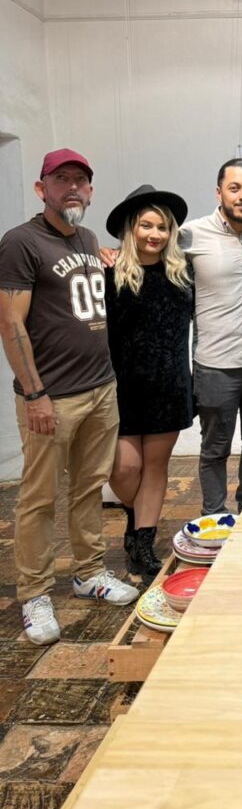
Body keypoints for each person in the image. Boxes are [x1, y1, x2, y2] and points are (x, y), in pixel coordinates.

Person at [0, 148, 139, 646]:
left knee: (88, 486)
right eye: (62, 179)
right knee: (39, 497)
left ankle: (89, 572)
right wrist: (34, 393)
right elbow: (10, 323)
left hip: (100, 387)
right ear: (42, 189)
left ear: (91, 190)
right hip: (52, 396)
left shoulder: (86, 238)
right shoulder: (20, 242)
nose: (73, 187)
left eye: (81, 180)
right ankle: (35, 593)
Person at [180, 159, 242, 516]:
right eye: (235, 188)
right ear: (218, 192)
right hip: (215, 366)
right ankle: (214, 519)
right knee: (215, 450)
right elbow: (146, 249)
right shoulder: (190, 236)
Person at [104, 185, 194, 581]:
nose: (155, 234)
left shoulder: (182, 274)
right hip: (121, 388)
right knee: (125, 469)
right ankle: (133, 513)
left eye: (162, 227)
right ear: (131, 229)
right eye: (146, 225)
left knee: (155, 467)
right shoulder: (109, 273)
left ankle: (142, 544)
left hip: (168, 386)